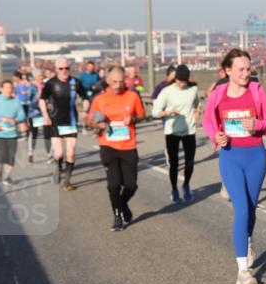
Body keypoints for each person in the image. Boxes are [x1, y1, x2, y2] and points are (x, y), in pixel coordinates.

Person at [202, 49, 266, 284]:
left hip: (255, 155)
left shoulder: (257, 89)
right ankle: (243, 271)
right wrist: (217, 137)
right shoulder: (218, 94)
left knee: (251, 209)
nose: (247, 73)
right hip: (230, 156)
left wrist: (257, 124)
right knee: (241, 208)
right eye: (241, 69)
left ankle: (247, 241)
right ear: (228, 71)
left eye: (248, 68)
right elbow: (207, 121)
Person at [86, 66, 146, 231]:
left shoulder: (132, 96)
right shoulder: (100, 99)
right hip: (108, 146)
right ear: (107, 81)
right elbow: (89, 121)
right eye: (114, 82)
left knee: (131, 185)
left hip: (128, 146)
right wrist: (97, 124)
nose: (118, 85)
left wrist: (133, 119)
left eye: (121, 81)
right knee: (113, 185)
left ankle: (123, 205)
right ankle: (117, 216)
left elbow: (142, 115)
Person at [39, 57, 89, 190]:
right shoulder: (50, 83)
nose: (64, 71)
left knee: (71, 153)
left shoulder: (76, 82)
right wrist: (45, 116)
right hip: (55, 120)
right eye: (61, 68)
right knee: (59, 153)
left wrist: (86, 109)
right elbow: (42, 100)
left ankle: (67, 181)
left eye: (66, 68)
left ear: (70, 68)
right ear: (56, 69)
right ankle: (57, 165)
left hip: (71, 121)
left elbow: (85, 97)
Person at [153, 64, 201, 203]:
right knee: (174, 164)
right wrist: (168, 112)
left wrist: (197, 112)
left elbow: (197, 103)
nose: (181, 84)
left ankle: (186, 185)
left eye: (184, 81)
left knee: (189, 163)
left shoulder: (193, 89)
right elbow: (155, 112)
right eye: (179, 81)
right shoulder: (167, 91)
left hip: (189, 130)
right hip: (172, 131)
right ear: (175, 79)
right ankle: (174, 189)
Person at [0, 80, 28, 185]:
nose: (9, 90)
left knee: (11, 156)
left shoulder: (16, 101)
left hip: (12, 133)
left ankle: (6, 177)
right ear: (1, 89)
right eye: (6, 88)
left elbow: (22, 115)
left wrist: (15, 120)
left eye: (10, 88)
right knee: (2, 154)